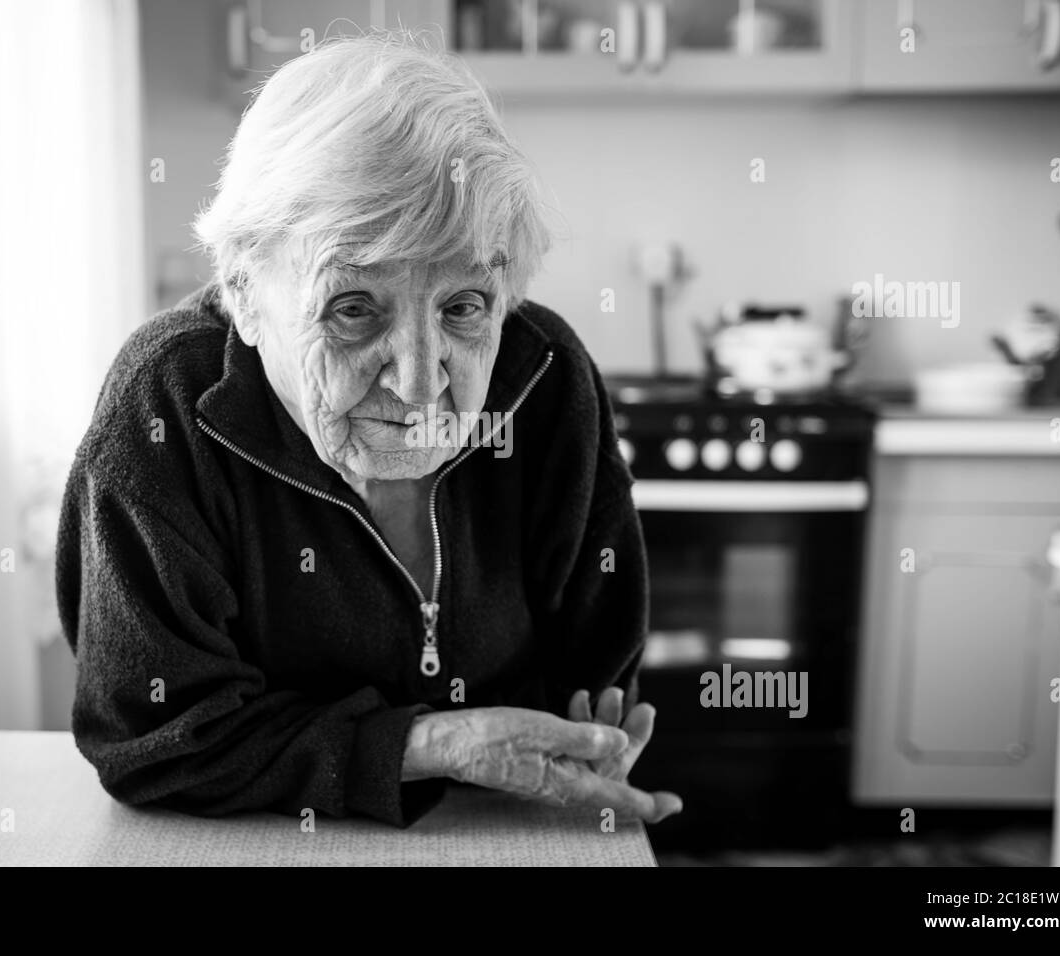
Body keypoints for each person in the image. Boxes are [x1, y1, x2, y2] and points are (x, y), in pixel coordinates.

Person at [55, 29, 681, 828]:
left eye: (463, 308)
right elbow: (154, 735)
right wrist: (427, 744)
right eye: (354, 309)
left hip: (493, 826)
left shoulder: (548, 377)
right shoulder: (164, 406)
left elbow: (591, 686)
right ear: (245, 292)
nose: (421, 383)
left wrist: (579, 740)